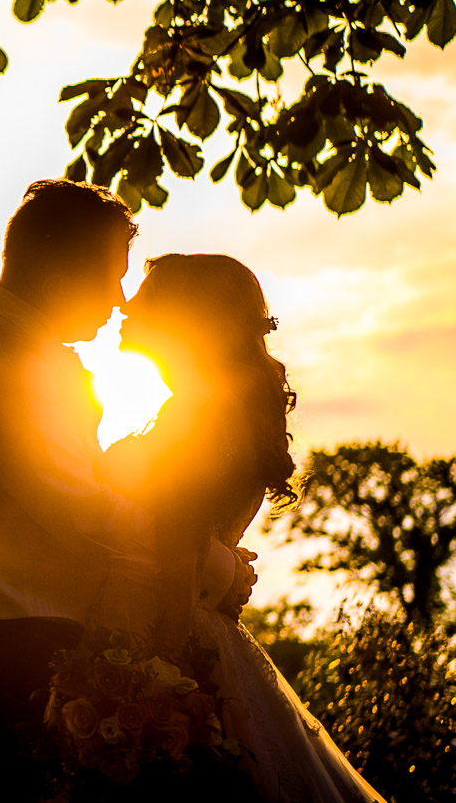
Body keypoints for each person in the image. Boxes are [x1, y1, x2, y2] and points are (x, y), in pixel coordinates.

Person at [0, 182, 254, 801]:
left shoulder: (14, 349)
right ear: (63, 266)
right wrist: (206, 559)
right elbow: (78, 507)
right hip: (13, 630)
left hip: (15, 625)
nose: (119, 298)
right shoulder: (3, 355)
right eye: (110, 274)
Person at [92, 253, 385, 803]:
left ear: (188, 317)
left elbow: (178, 551)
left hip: (160, 629)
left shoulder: (196, 417)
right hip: (192, 624)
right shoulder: (213, 409)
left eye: (148, 296)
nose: (127, 305)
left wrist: (163, 667)